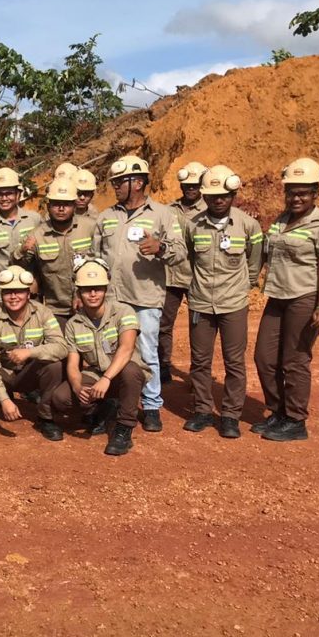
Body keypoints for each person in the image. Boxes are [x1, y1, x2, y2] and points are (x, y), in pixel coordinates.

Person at [93, 155, 184, 432]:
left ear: (139, 182)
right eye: (115, 182)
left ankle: (152, 404)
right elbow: (95, 257)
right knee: (110, 351)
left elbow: (180, 252)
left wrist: (161, 248)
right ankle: (113, 403)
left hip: (145, 297)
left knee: (147, 352)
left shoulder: (164, 214)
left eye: (121, 181)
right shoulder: (107, 216)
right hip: (112, 299)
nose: (116, 187)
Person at [253, 157, 319, 442]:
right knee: (264, 358)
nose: (296, 197)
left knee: (295, 360)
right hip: (277, 296)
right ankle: (278, 412)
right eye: (291, 192)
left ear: (316, 193)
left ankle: (296, 420)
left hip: (304, 297)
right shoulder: (280, 220)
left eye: (303, 192)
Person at [181, 165, 264, 438]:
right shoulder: (192, 225)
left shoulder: (247, 225)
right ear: (204, 196)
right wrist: (193, 289)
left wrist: (244, 286)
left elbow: (254, 261)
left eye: (224, 195)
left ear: (234, 194)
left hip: (234, 304)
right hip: (201, 303)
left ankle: (230, 415)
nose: (218, 200)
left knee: (234, 362)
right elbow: (189, 259)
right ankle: (203, 411)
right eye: (212, 195)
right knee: (200, 361)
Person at [52, 260, 149, 456]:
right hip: (96, 373)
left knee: (131, 371)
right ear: (79, 292)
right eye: (87, 290)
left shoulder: (123, 311)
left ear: (106, 289)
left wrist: (106, 379)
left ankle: (124, 428)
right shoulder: (74, 323)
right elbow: (72, 364)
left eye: (97, 289)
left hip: (122, 373)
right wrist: (78, 387)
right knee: (61, 399)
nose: (93, 294)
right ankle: (102, 410)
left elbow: (126, 348)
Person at [0, 266, 68, 439]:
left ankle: (45, 418)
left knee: (54, 366)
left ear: (28, 293)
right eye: (8, 292)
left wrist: (30, 352)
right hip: (4, 375)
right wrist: (4, 400)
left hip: (29, 374)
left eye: (19, 291)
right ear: (1, 295)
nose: (13, 297)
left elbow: (61, 347)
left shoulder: (43, 313)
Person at [21, 179, 96, 329]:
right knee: (60, 351)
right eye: (56, 204)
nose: (61, 209)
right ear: (48, 206)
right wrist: (21, 252)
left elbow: (101, 264)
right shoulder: (37, 235)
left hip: (89, 306)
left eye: (66, 204)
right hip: (56, 310)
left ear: (74, 205)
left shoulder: (90, 228)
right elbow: (24, 268)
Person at [159, 162, 207, 383]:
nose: (190, 188)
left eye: (195, 184)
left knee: (198, 329)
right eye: (187, 184)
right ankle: (163, 366)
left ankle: (198, 375)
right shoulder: (169, 210)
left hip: (197, 277)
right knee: (163, 325)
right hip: (170, 276)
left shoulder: (209, 210)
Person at [0, 167, 41, 315]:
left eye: (9, 193)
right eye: (0, 194)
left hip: (30, 289)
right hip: (3, 292)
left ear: (18, 195)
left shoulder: (34, 220)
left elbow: (41, 257)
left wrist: (37, 281)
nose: (4, 198)